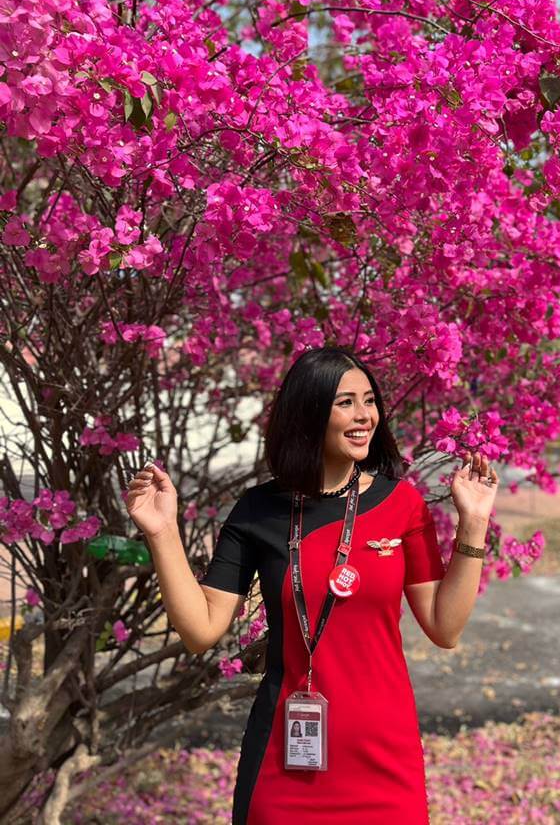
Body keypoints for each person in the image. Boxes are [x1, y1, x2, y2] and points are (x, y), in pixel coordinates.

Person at [126, 344, 498, 824]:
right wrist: (163, 533)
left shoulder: (402, 504)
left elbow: (444, 628)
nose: (365, 415)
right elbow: (200, 630)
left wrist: (473, 525)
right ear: (308, 413)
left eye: (369, 400)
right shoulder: (258, 511)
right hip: (286, 758)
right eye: (345, 403)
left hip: (385, 757)